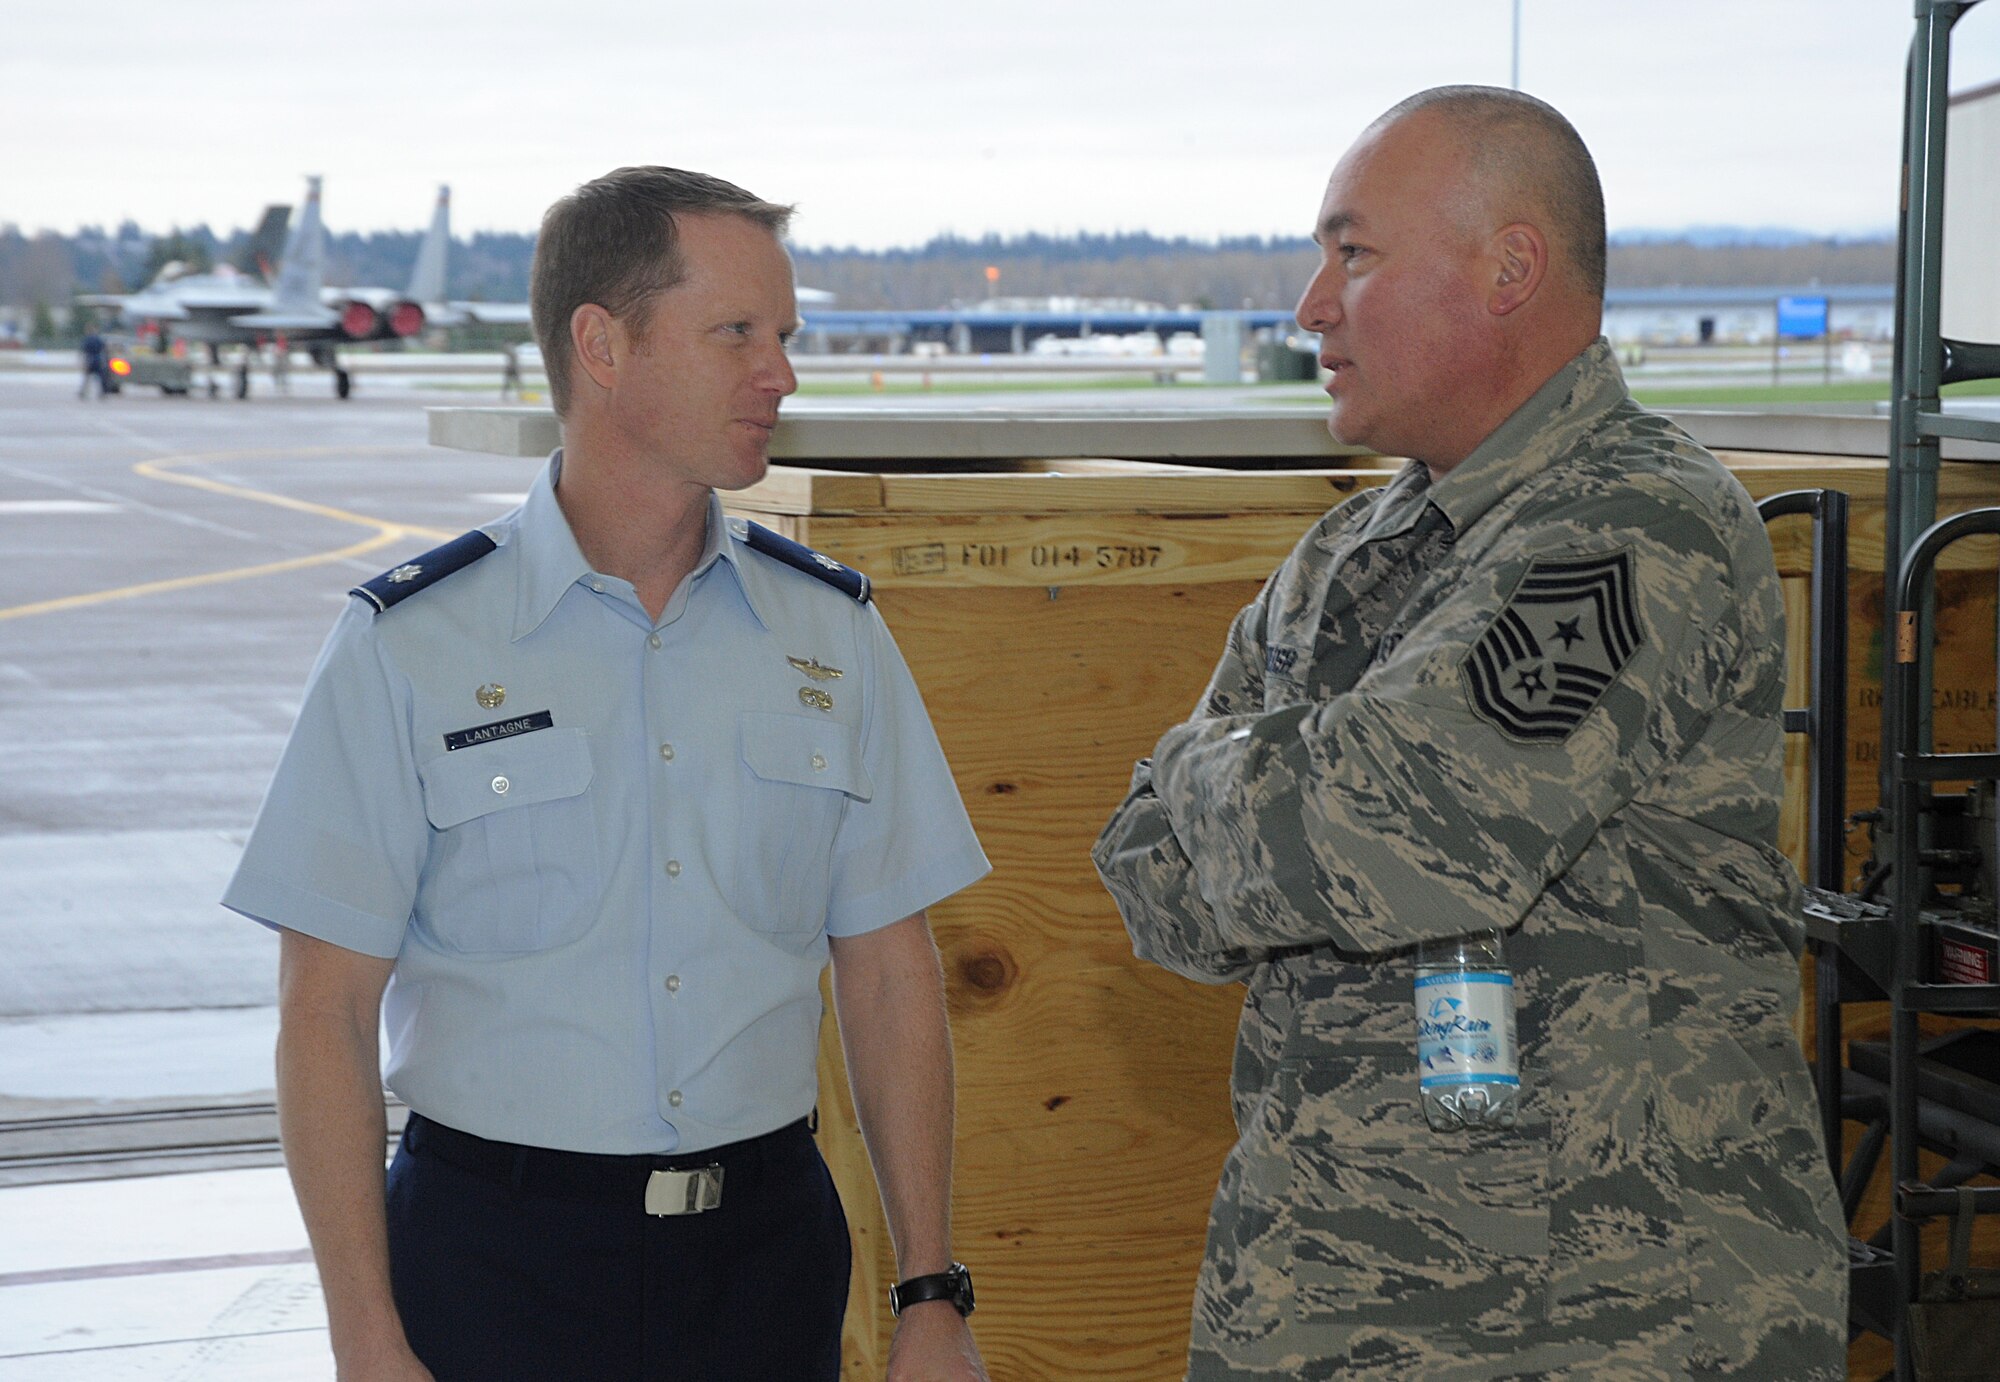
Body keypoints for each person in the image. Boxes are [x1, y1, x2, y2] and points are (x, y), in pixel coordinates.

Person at [1093, 87, 1847, 1379]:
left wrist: (1203, 767)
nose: (1309, 307)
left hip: (1602, 1317)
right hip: (1322, 1296)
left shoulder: (1634, 521)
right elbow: (1150, 883)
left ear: (1509, 268)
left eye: (1355, 252)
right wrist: (1279, 783)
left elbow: (1399, 835)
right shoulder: (1351, 550)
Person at [225, 167, 992, 1382]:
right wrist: (366, 1337)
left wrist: (930, 1287)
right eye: (736, 332)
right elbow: (321, 1013)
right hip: (489, 1265)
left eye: (782, 335)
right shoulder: (413, 643)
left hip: (764, 1257)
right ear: (602, 345)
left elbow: (891, 975)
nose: (779, 372)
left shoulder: (830, 634)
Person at [78, 327, 109, 398]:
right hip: (98, 359)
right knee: (101, 378)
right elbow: (104, 349)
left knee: (87, 378)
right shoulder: (99, 339)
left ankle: (83, 392)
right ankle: (103, 393)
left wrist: (82, 361)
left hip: (90, 359)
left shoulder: (87, 340)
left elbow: (83, 351)